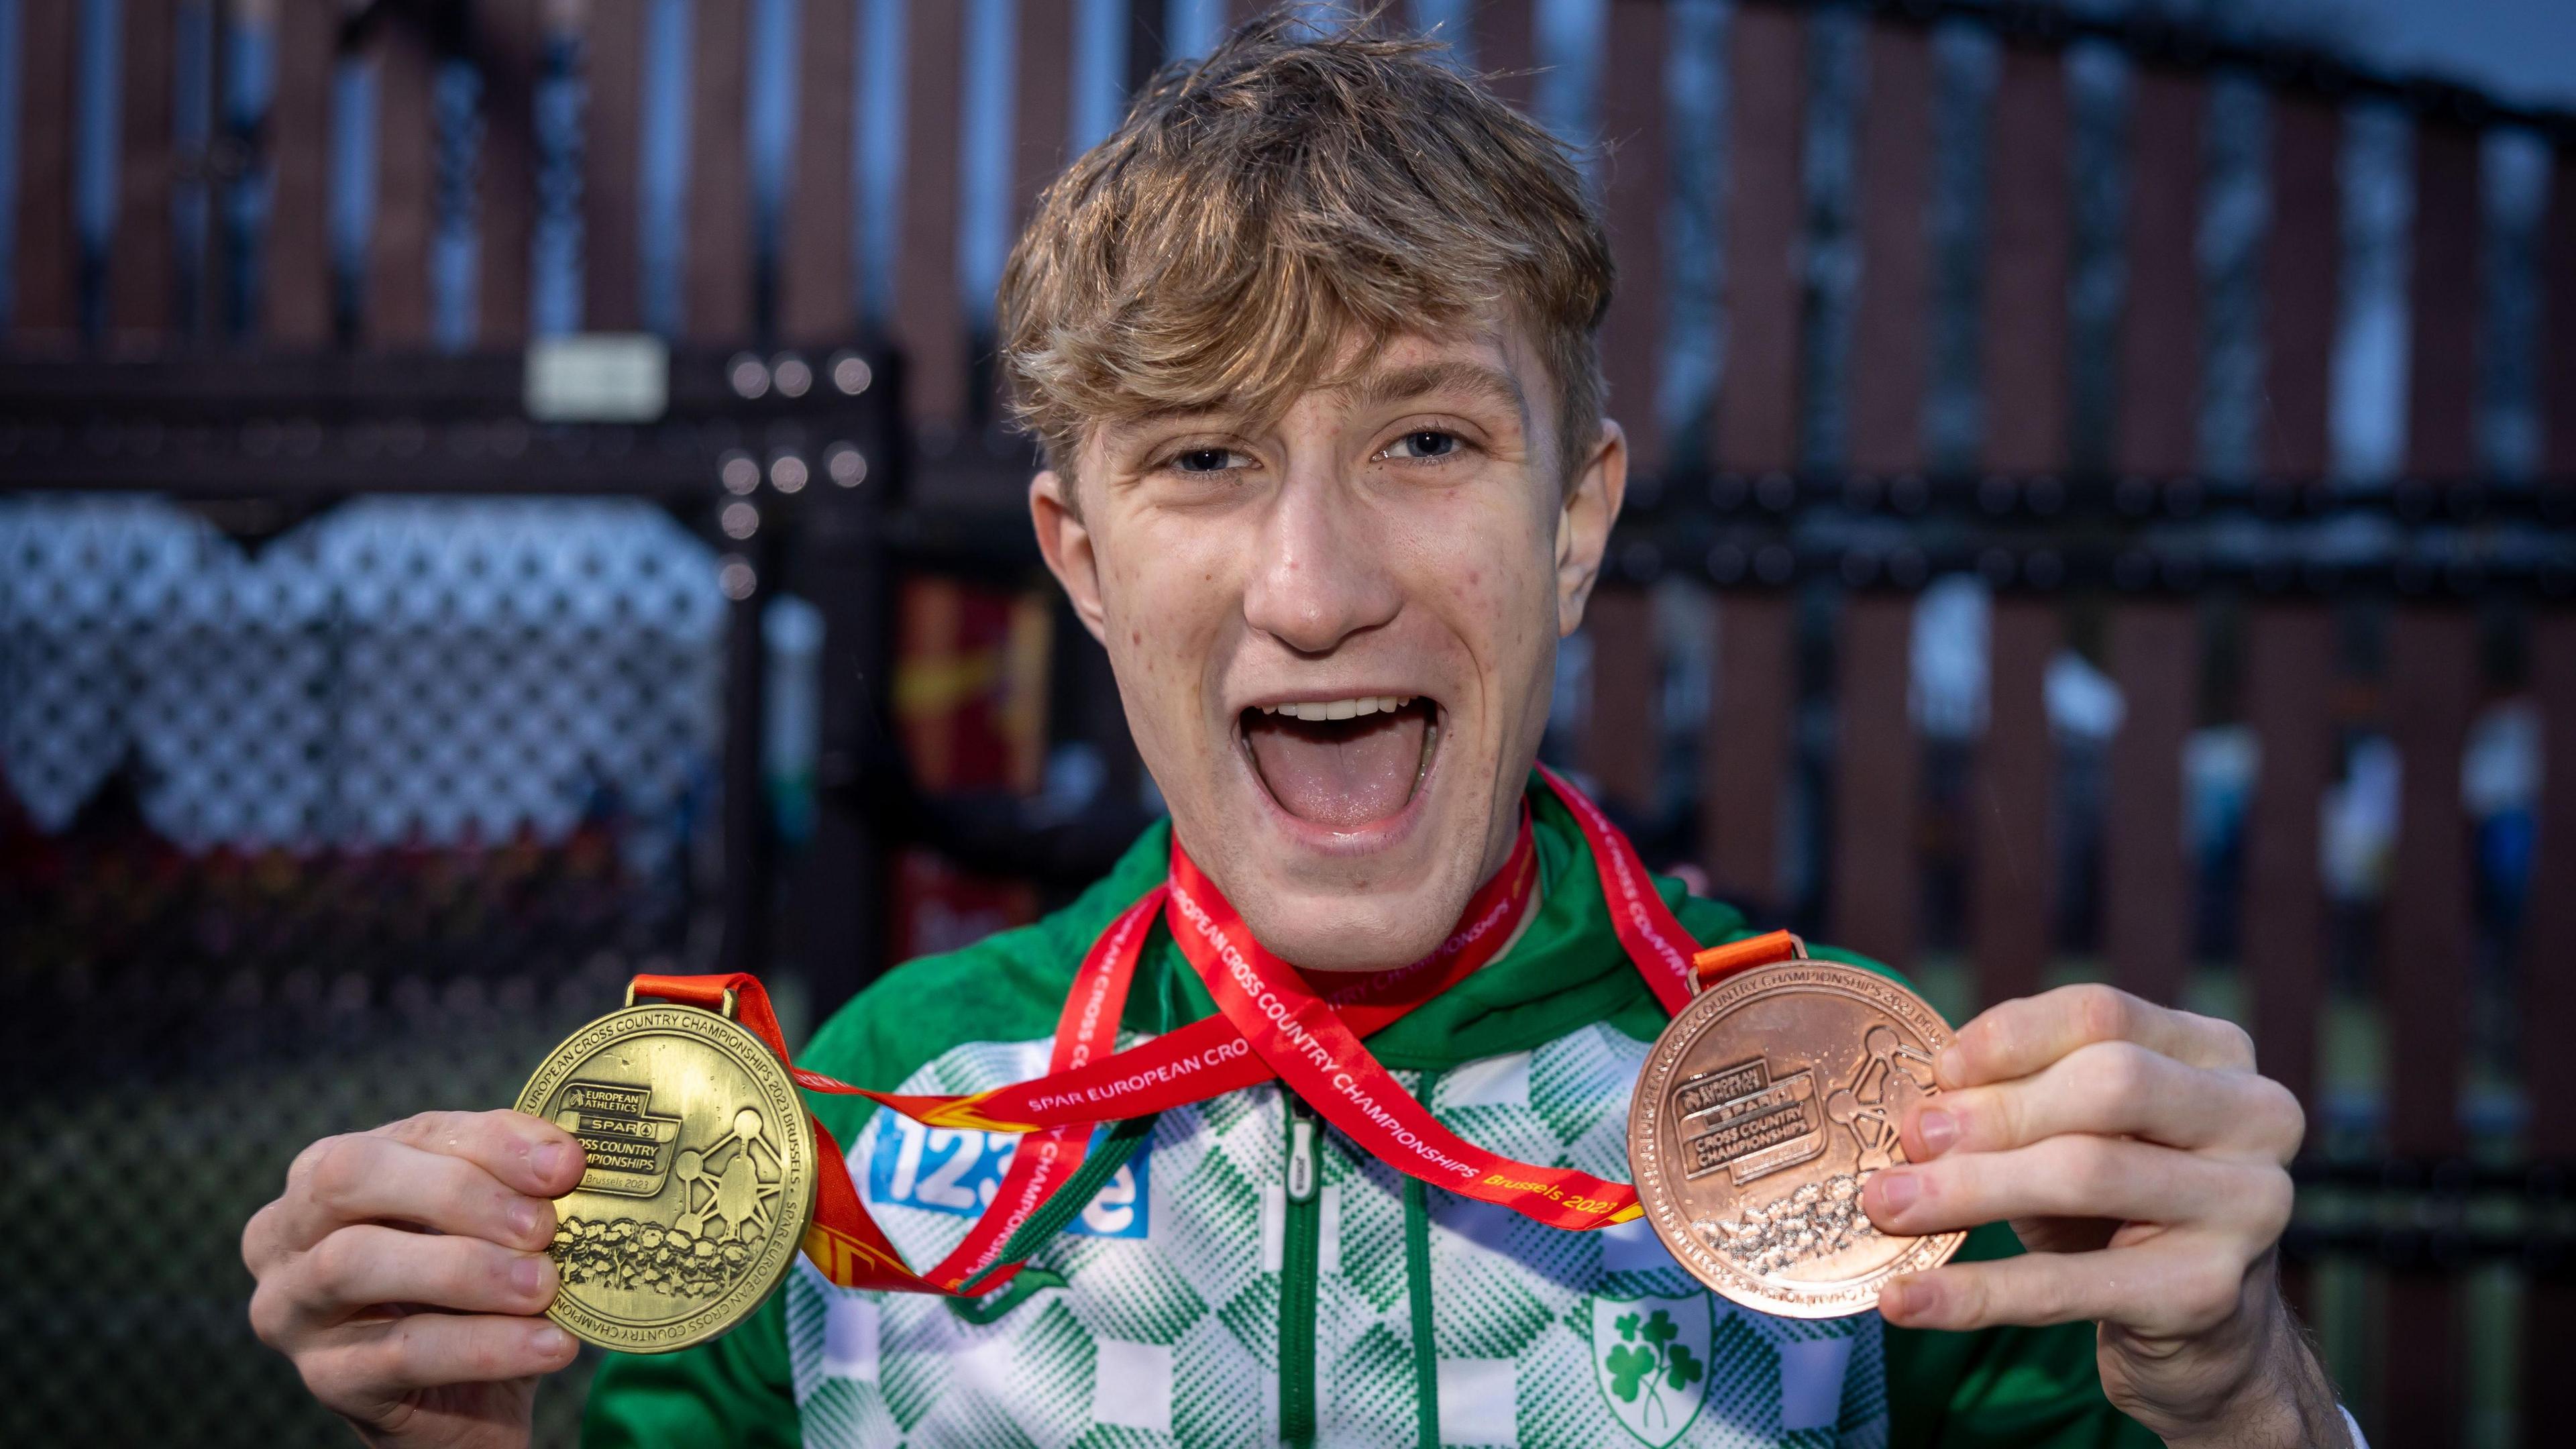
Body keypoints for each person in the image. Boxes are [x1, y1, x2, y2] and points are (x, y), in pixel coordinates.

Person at [244, 17, 2349, 1448]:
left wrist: (2245, 1393)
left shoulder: (1893, 1148)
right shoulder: (846, 1135)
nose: (1317, 583)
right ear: (1078, 558)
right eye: (1204, 462)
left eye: (1428, 436)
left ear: (1577, 519)